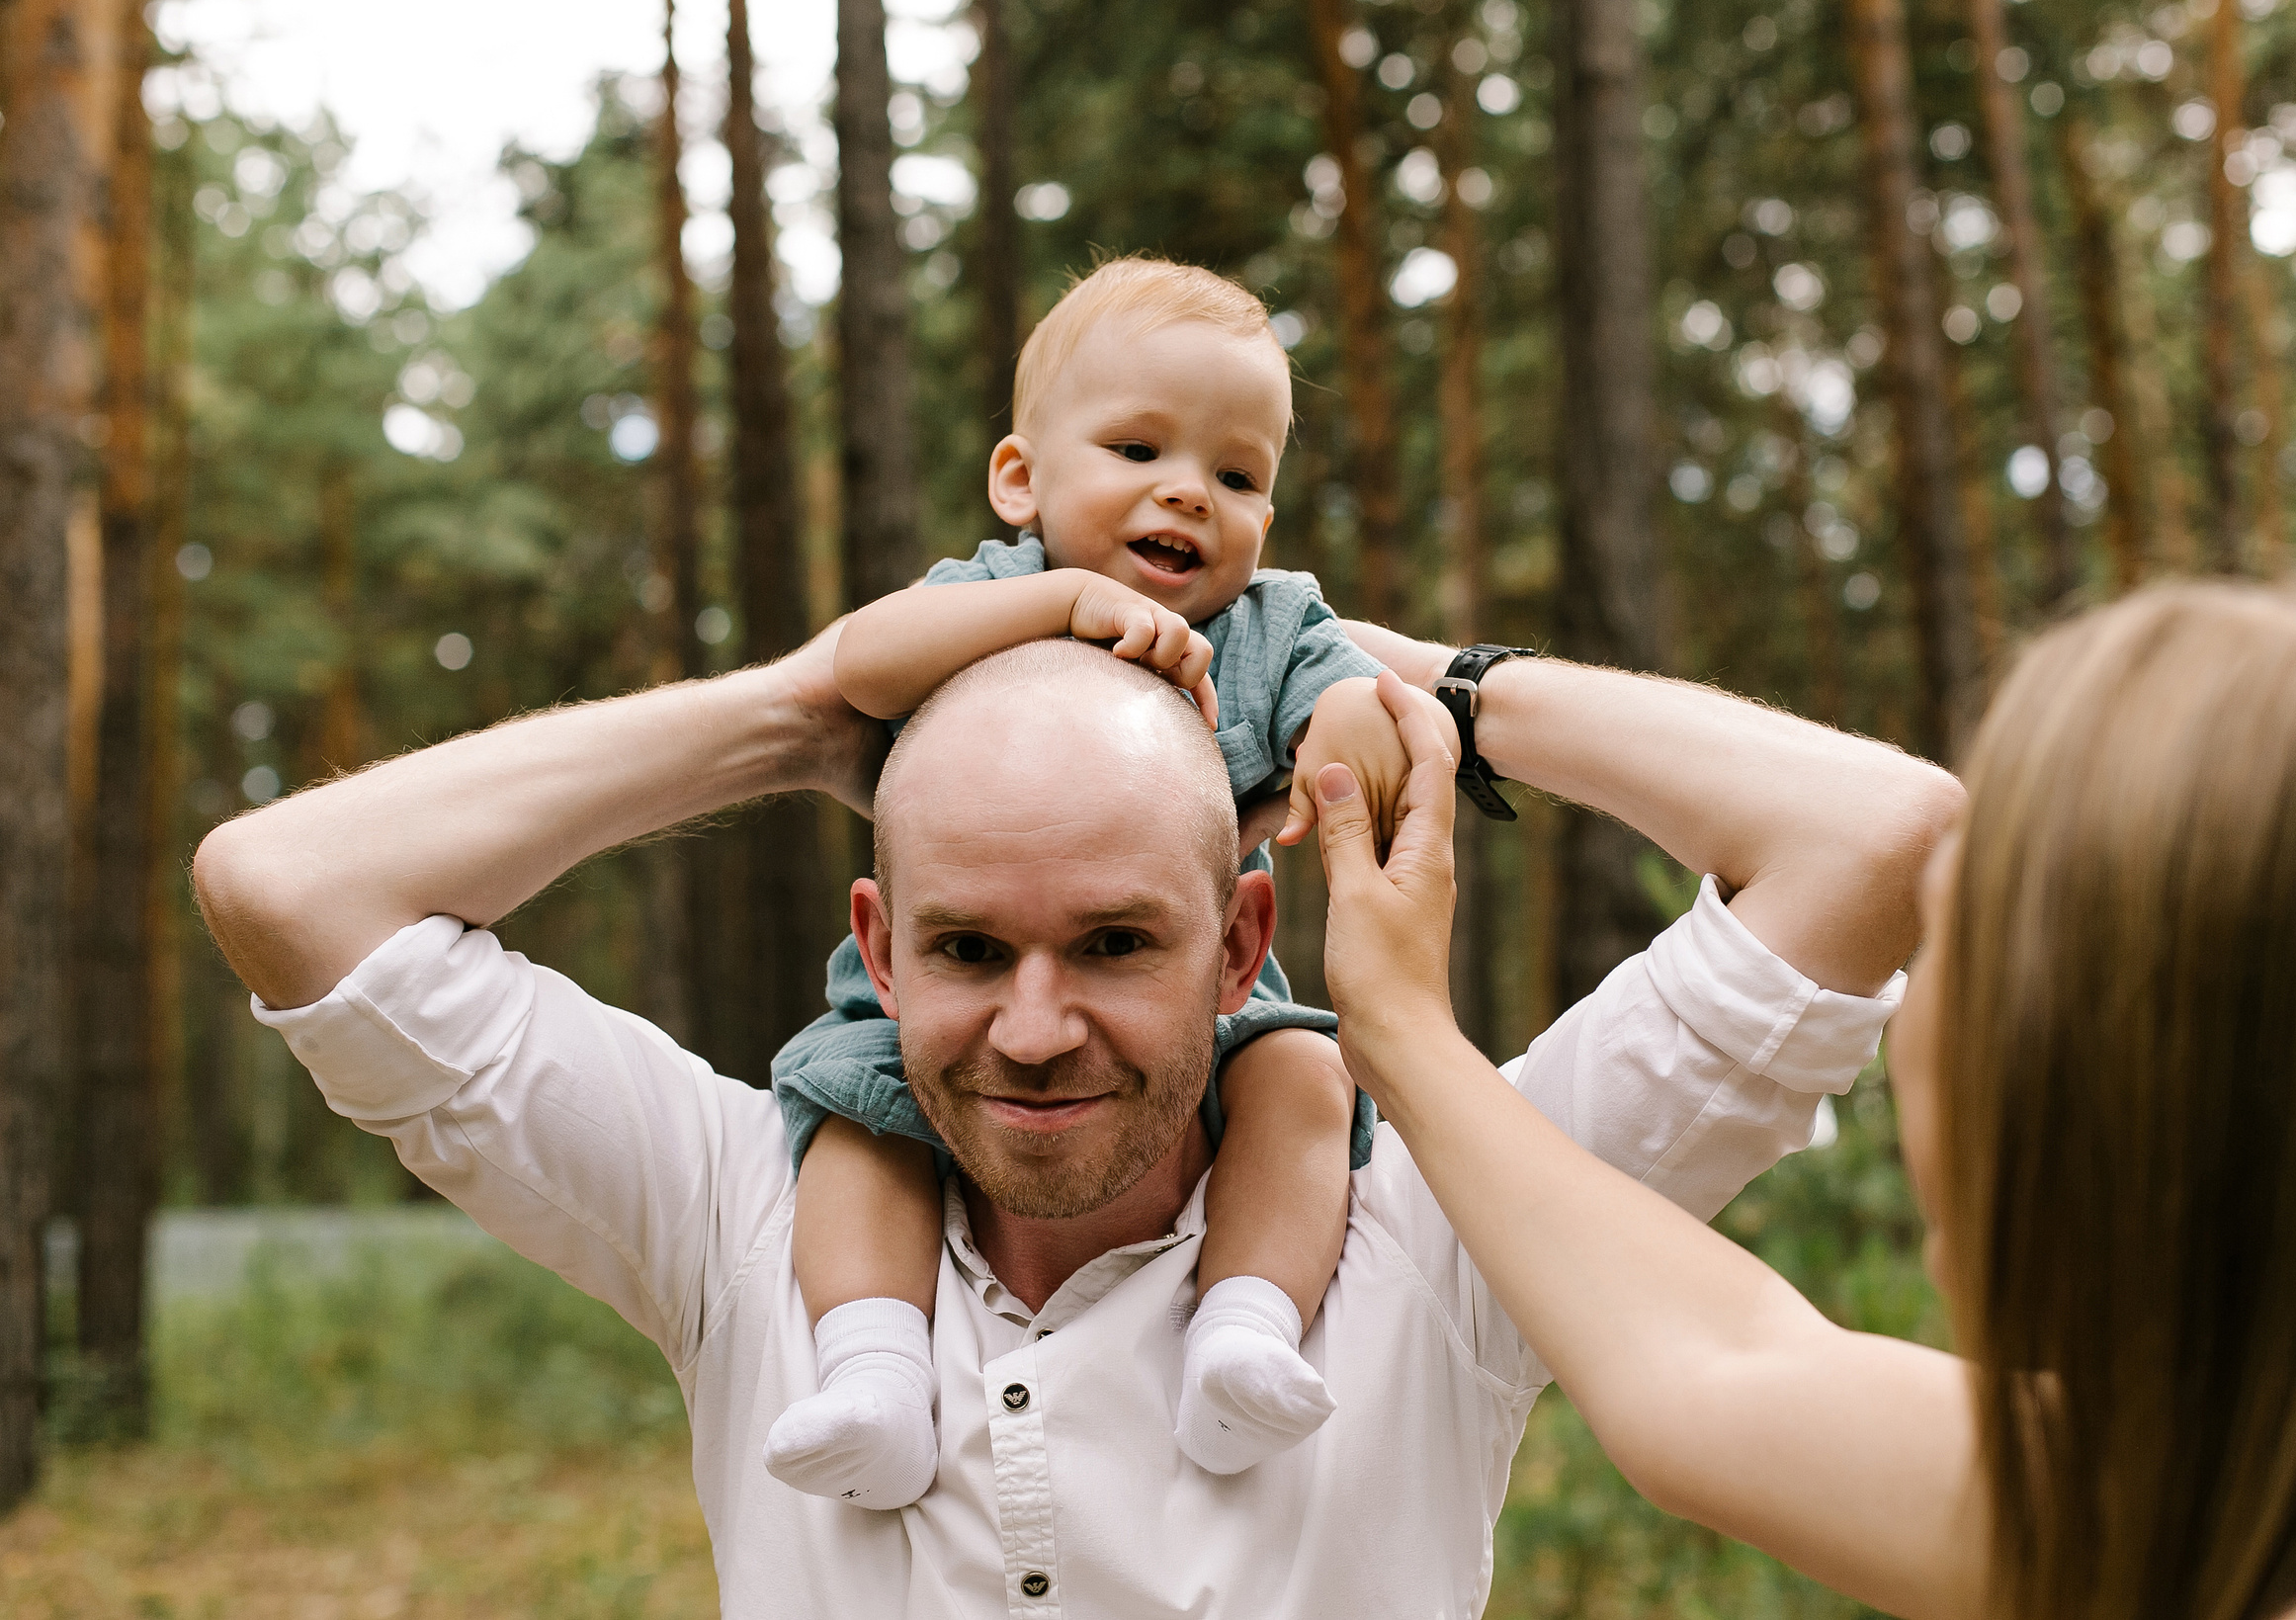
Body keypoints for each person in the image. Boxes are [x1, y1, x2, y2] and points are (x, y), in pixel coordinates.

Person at [190, 614, 1953, 1616]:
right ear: (880, 947)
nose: (1034, 1032)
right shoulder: (741, 1212)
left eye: (1115, 943)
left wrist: (1386, 674)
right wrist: (802, 709)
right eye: (969, 947)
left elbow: (1878, 840)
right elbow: (287, 885)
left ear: (1243, 941)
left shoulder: (1441, 1235)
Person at [1315, 583, 2296, 1620]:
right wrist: (1420, 694)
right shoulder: (2250, 1488)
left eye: (1951, 927)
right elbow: (1709, 1367)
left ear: (2105, 1063)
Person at [763, 256, 1431, 1504]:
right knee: (859, 1123)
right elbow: (865, 665)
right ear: (1022, 479)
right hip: (927, 997)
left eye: (1236, 476)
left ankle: (1243, 1330)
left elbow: (1347, 703)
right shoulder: (998, 592)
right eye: (1136, 449)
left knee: (1304, 1077)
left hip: (1197, 995)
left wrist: (1351, 717)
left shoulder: (1270, 625)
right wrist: (1059, 603)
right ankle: (870, 1371)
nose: (1187, 492)